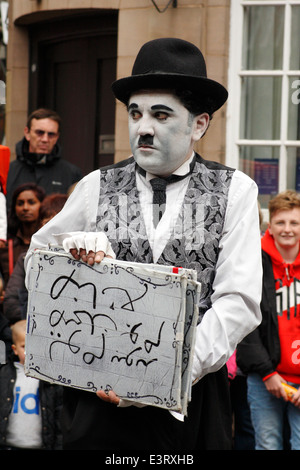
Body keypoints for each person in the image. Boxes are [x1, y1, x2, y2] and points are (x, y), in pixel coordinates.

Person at [24, 38, 262, 450]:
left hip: (191, 403)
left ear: (199, 124)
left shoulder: (235, 190)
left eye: (161, 114)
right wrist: (69, 256)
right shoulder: (96, 186)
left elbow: (238, 302)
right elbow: (35, 267)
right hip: (97, 399)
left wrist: (164, 375)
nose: (143, 127)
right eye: (135, 113)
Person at [237, 189, 300, 450]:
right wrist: (267, 372)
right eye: (280, 222)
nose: (287, 229)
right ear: (270, 227)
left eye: (294, 222)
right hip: (265, 378)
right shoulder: (253, 262)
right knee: (266, 444)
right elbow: (245, 322)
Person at [3, 193, 68, 325]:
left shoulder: (86, 259)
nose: (49, 230)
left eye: (56, 223)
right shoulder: (28, 259)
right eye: (46, 223)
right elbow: (10, 303)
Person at [0, 320, 63, 449]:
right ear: (15, 349)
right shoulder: (4, 374)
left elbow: (58, 416)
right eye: (24, 346)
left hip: (40, 445)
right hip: (8, 445)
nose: (30, 352)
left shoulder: (49, 378)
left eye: (35, 346)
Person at [6, 108, 82, 211]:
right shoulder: (8, 172)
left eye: (51, 134)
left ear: (57, 137)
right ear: (27, 133)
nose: (45, 139)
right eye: (39, 133)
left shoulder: (71, 173)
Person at [0, 183, 45, 290]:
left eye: (31, 202)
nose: (25, 208)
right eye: (20, 203)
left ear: (42, 205)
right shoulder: (5, 245)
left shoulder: (48, 243)